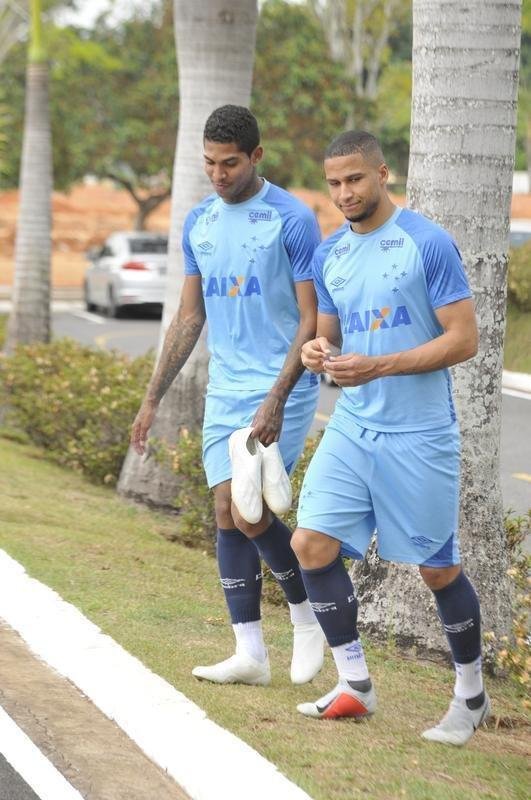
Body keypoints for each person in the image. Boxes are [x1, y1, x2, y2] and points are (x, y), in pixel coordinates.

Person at [290, 130, 490, 746]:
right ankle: (355, 684)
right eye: (334, 183)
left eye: (355, 179)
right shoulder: (329, 255)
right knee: (310, 544)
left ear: (382, 174)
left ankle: (471, 696)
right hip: (353, 423)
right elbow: (328, 338)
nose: (345, 192)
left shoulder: (427, 243)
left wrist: (378, 364)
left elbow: (463, 339)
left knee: (438, 569)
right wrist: (320, 352)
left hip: (420, 431)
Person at [131, 105, 325, 687]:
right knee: (226, 510)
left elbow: (311, 320)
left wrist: (276, 398)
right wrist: (151, 398)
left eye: (230, 163)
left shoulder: (292, 219)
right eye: (210, 163)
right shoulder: (199, 223)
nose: (218, 174)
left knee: (252, 511)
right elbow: (188, 319)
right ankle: (250, 654)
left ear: (256, 157)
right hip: (226, 389)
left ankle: (308, 610)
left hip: (281, 385)